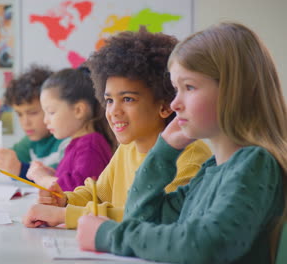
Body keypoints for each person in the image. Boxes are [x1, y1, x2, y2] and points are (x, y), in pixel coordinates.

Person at [76, 22, 287, 264]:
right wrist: (162, 153)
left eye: (189, 87)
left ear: (233, 92)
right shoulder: (210, 170)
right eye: (176, 89)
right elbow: (142, 218)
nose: (175, 103)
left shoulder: (255, 164)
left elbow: (206, 244)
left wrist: (109, 235)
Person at [23, 28, 212, 229]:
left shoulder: (190, 160)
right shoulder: (128, 147)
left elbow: (152, 217)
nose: (114, 111)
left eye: (128, 99)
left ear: (165, 106)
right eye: (109, 100)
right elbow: (96, 193)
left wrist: (65, 215)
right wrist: (64, 200)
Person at [25, 67, 116, 191]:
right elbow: (73, 181)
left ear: (78, 110)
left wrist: (43, 179)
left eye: (51, 112)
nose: (45, 120)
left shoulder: (90, 145)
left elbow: (79, 192)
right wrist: (53, 175)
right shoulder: (78, 143)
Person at [0, 65, 70, 180]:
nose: (25, 122)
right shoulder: (30, 141)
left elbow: (60, 180)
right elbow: (10, 161)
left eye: (32, 113)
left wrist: (20, 169)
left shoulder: (67, 141)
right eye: (19, 114)